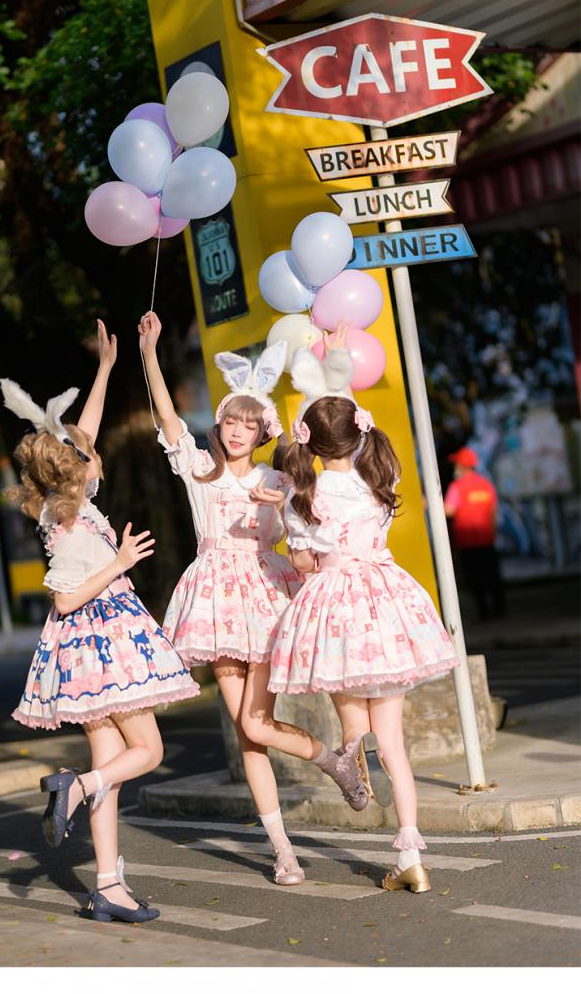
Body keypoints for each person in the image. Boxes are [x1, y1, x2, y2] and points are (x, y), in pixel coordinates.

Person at [139, 311, 369, 885]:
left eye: (249, 422)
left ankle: (332, 761)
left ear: (264, 429)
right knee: (248, 734)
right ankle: (282, 850)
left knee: (257, 724)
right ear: (218, 425)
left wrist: (277, 510)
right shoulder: (199, 472)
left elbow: (324, 484)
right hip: (215, 604)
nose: (237, 430)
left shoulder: (279, 478)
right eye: (229, 420)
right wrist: (149, 354)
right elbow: (168, 419)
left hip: (265, 597)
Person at [1, 320, 199, 925]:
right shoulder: (67, 523)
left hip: (93, 648)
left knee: (109, 765)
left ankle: (108, 886)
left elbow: (83, 428)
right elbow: (62, 600)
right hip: (101, 643)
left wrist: (110, 367)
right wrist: (117, 562)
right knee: (147, 750)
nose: (96, 449)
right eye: (90, 453)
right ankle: (76, 787)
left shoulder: (68, 499)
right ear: (82, 470)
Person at [268, 336, 459, 894]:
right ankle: (411, 856)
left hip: (334, 605)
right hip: (386, 600)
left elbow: (302, 560)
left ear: (309, 440)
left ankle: (351, 761)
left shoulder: (303, 493)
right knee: (394, 743)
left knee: (353, 718)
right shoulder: (380, 478)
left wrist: (301, 549)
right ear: (359, 433)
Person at [444, 447, 505, 620]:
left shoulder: (457, 487)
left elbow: (448, 510)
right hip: (487, 539)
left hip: (467, 542)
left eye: (456, 464)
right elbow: (493, 511)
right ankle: (500, 610)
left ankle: (484, 613)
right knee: (493, 576)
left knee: (475, 579)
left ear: (462, 466)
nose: (455, 468)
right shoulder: (485, 484)